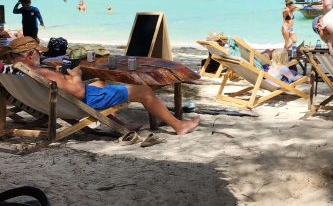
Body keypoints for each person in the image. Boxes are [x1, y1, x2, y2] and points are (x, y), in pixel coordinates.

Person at [0, 36, 200, 135]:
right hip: (83, 102)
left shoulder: (14, 72)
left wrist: (62, 75)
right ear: (30, 55)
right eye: (38, 52)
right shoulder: (42, 73)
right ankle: (178, 125)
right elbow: (78, 91)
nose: (40, 54)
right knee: (145, 91)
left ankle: (120, 126)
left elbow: (62, 88)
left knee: (100, 82)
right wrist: (75, 74)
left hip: (52, 104)